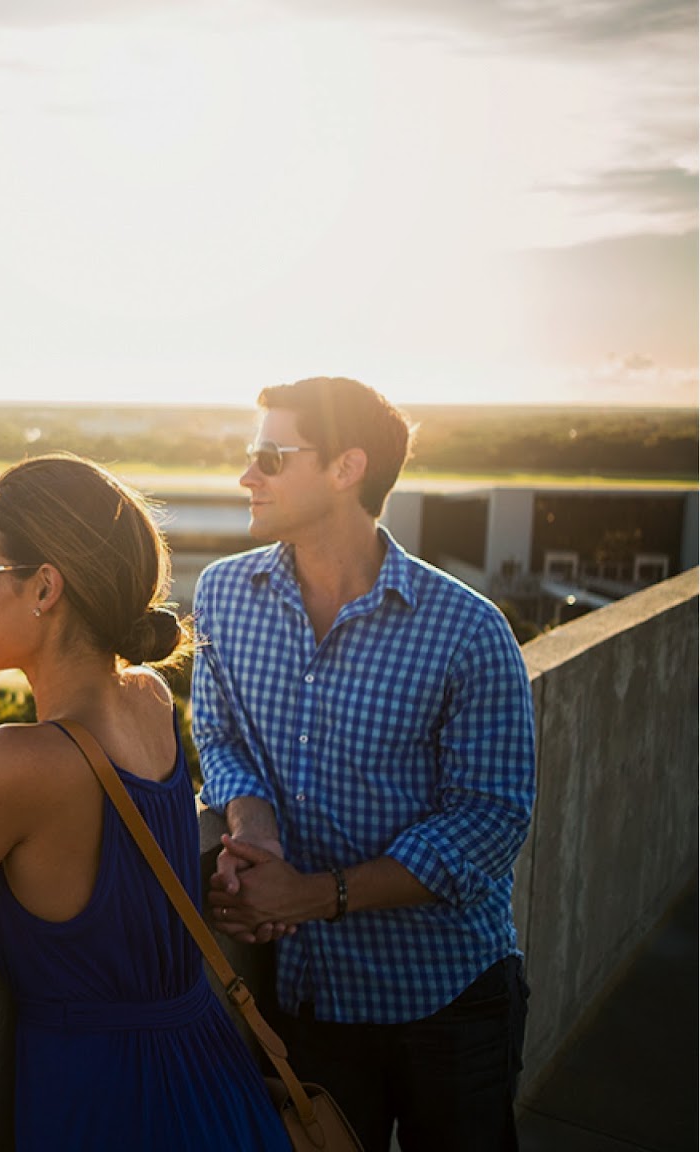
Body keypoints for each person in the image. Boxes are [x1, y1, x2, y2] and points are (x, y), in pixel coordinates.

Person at [0, 454, 288, 1151]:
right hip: (211, 1076)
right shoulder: (149, 700)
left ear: (45, 587)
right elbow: (106, 890)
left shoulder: (17, 762)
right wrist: (2, 910)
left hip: (106, 1106)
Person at [197, 377, 536, 1152]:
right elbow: (220, 737)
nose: (246, 476)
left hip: (448, 1000)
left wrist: (317, 895)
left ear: (347, 468)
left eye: (269, 457)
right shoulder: (222, 596)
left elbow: (491, 820)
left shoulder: (467, 630)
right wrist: (258, 832)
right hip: (308, 1003)